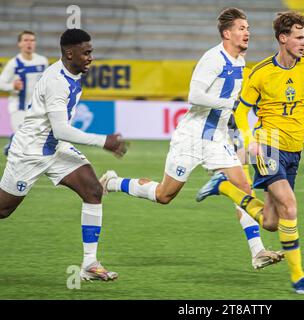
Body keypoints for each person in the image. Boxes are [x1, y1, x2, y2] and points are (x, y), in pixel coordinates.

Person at [100, 7, 283, 269]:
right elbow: (195, 96)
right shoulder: (213, 59)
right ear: (226, 33)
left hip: (218, 137)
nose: (247, 33)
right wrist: (231, 102)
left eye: (248, 29)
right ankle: (113, 182)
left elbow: (232, 107)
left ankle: (257, 252)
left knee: (243, 187)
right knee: (164, 195)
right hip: (192, 137)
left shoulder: (240, 62)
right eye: (242, 28)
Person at [196, 11, 304, 294]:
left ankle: (224, 186)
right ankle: (299, 278)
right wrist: (250, 140)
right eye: (298, 38)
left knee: (272, 223)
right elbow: (240, 109)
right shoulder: (261, 72)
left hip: (294, 150)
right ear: (283, 38)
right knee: (290, 205)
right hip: (268, 144)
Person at [0, 29, 128, 281]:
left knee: (92, 190)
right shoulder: (56, 81)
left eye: (91, 51)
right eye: (86, 52)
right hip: (31, 152)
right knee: (3, 210)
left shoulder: (73, 72)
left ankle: (89, 264)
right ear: (70, 53)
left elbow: (58, 132)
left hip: (55, 147)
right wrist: (104, 141)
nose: (91, 57)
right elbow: (61, 129)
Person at [0, 31, 48, 156]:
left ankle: (13, 141)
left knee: (35, 141)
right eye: (26, 40)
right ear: (19, 44)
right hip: (18, 108)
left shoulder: (42, 61)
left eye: (32, 40)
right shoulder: (14, 63)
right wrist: (12, 86)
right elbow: (1, 83)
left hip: (37, 108)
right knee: (25, 144)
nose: (29, 43)